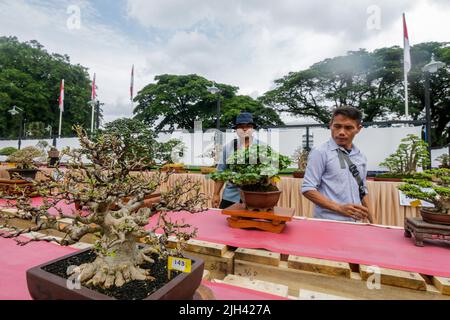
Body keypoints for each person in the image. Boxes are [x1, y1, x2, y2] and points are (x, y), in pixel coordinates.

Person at [301, 106, 374, 223]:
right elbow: (308, 188)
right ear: (330, 125)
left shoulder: (361, 157)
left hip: (357, 224)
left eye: (348, 128)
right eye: (337, 126)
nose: (341, 132)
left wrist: (374, 222)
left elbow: (362, 191)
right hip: (329, 223)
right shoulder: (320, 153)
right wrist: (339, 208)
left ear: (358, 129)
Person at [212, 112, 260, 209]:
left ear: (253, 128)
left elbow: (270, 174)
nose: (245, 129)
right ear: (236, 129)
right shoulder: (228, 148)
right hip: (231, 196)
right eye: (241, 126)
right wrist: (216, 194)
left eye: (248, 126)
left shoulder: (262, 147)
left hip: (255, 197)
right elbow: (221, 172)